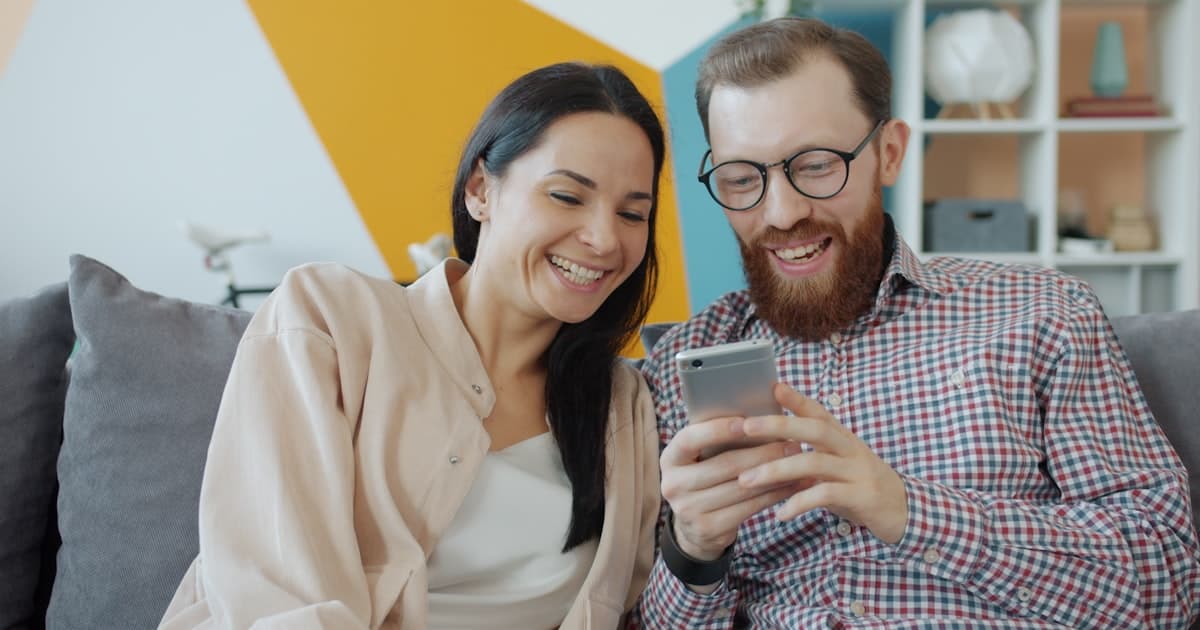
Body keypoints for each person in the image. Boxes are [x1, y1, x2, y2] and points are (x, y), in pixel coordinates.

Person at [631, 17, 1200, 629]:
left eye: (818, 165)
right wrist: (692, 552)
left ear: (890, 152)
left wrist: (908, 509)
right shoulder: (684, 362)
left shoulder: (1044, 313)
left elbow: (1165, 584)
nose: (782, 211)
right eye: (743, 178)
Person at [159, 61, 664, 629]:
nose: (603, 238)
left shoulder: (624, 408)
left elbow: (630, 605)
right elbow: (277, 593)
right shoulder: (329, 318)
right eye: (567, 196)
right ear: (480, 190)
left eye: (631, 213)